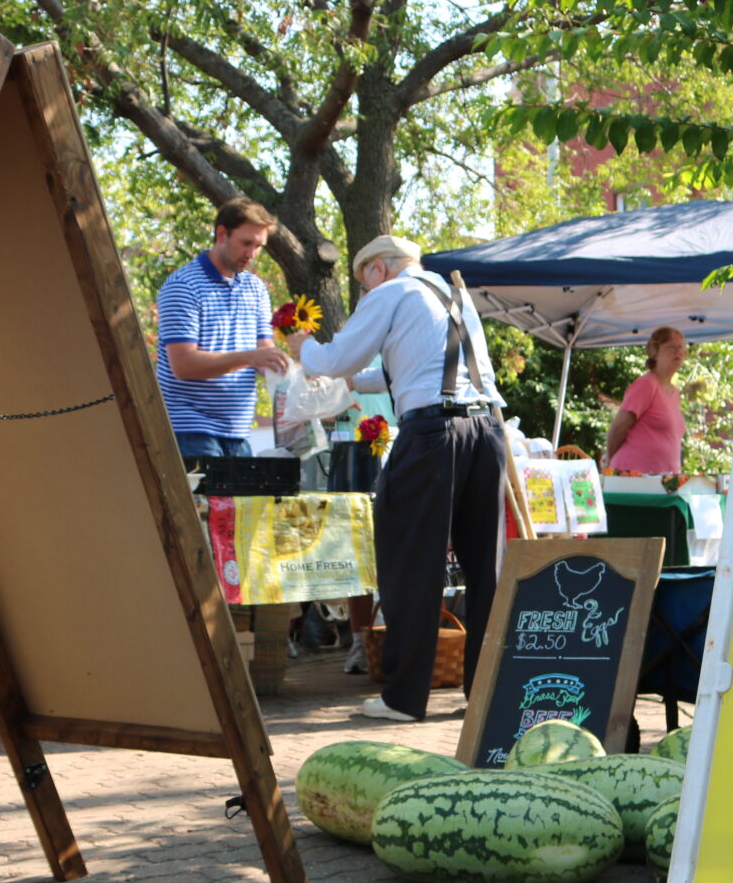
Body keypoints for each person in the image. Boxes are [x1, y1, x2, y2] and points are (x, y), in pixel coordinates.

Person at [289, 235, 506, 722]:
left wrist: (304, 348)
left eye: (362, 281)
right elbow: (399, 371)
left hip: (432, 433)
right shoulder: (452, 294)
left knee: (409, 561)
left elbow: (333, 360)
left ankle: (404, 698)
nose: (363, 293)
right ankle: (486, 692)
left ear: (378, 270)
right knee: (485, 568)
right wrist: (348, 381)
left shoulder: (390, 293)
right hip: (485, 431)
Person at [155, 198, 292, 457]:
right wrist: (250, 357)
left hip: (238, 433)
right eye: (246, 243)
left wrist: (298, 373)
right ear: (221, 234)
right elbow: (184, 365)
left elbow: (264, 355)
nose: (251, 254)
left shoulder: (255, 288)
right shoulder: (182, 286)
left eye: (259, 246)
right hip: (189, 431)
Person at [602, 326, 688, 474]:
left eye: (681, 347)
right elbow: (618, 429)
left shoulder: (674, 393)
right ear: (655, 352)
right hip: (634, 478)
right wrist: (609, 463)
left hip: (662, 481)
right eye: (671, 346)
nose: (678, 351)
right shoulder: (646, 385)